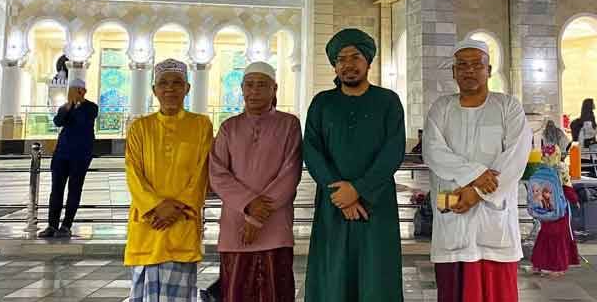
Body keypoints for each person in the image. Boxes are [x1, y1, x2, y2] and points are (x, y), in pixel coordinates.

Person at [423, 38, 533, 302]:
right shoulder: (441, 108)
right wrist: (474, 174)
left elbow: (516, 157)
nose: (469, 70)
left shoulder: (508, 107)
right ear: (453, 71)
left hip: (493, 219)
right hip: (453, 215)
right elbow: (433, 151)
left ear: (489, 69)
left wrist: (476, 193)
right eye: (462, 65)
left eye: (476, 65)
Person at [303, 28, 405, 302]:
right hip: (333, 205)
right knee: (332, 275)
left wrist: (359, 189)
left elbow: (392, 152)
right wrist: (341, 195)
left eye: (355, 57)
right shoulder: (322, 103)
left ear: (368, 62)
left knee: (376, 276)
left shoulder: (388, 101)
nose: (348, 64)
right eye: (340, 59)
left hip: (377, 203)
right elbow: (312, 151)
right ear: (334, 66)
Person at [208, 61, 302, 302]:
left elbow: (290, 173)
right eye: (249, 85)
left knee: (275, 292)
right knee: (236, 292)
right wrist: (249, 205)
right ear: (241, 88)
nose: (254, 91)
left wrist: (257, 216)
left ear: (275, 89)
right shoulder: (229, 127)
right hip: (235, 228)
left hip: (275, 225)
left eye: (262, 85)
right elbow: (217, 174)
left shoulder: (289, 124)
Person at [124, 59, 214, 301]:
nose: (170, 89)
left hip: (181, 222)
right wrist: (156, 207)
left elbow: (202, 170)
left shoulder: (201, 125)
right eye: (163, 83)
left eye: (177, 83)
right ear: (154, 90)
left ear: (187, 88)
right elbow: (133, 173)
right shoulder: (139, 127)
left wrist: (177, 208)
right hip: (149, 224)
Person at [38, 75, 98, 238]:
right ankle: (52, 225)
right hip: (62, 154)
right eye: (71, 91)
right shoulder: (65, 108)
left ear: (83, 91)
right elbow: (58, 122)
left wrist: (77, 105)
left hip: (80, 156)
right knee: (56, 190)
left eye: (77, 91)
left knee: (74, 189)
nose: (73, 94)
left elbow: (84, 121)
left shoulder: (91, 108)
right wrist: (69, 106)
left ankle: (66, 225)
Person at [528, 144, 580, 278]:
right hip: (559, 211)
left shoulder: (539, 168)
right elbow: (567, 188)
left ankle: (537, 265)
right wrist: (575, 200)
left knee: (544, 235)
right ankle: (558, 267)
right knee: (560, 237)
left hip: (544, 210)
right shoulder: (561, 168)